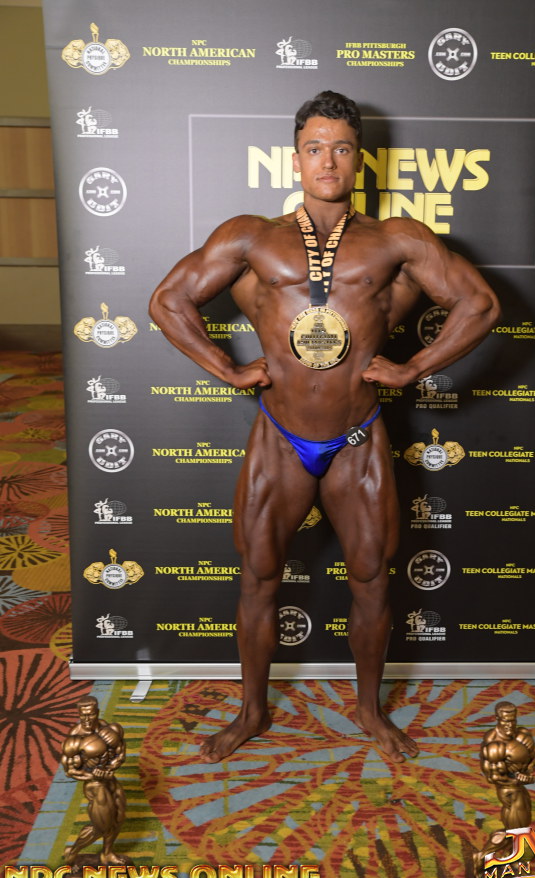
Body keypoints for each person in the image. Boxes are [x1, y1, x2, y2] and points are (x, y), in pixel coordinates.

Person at [149, 91, 501, 763]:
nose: (328, 161)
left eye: (341, 148)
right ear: (295, 159)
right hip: (279, 436)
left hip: (357, 438)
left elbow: (478, 304)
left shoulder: (396, 239)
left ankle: (368, 710)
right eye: (314, 148)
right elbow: (169, 300)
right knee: (259, 576)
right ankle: (252, 711)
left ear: (359, 160)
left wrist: (414, 367)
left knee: (371, 576)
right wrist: (225, 367)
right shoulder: (252, 237)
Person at [61, 695, 127, 865]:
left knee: (118, 816)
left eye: (90, 714)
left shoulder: (107, 728)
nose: (87, 719)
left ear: (97, 712)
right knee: (101, 826)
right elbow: (69, 771)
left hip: (109, 780)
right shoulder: (74, 737)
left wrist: (111, 767)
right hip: (95, 785)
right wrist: (93, 776)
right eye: (83, 715)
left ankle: (107, 853)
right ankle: (72, 852)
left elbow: (120, 753)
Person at [480, 701, 535, 829]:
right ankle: (512, 840)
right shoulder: (493, 743)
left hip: (518, 784)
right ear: (497, 718)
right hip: (507, 788)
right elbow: (494, 777)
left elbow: (532, 759)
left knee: (525, 810)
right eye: (506, 721)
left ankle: (512, 839)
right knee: (519, 816)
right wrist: (517, 780)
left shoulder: (523, 735)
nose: (510, 725)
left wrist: (527, 774)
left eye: (513, 720)